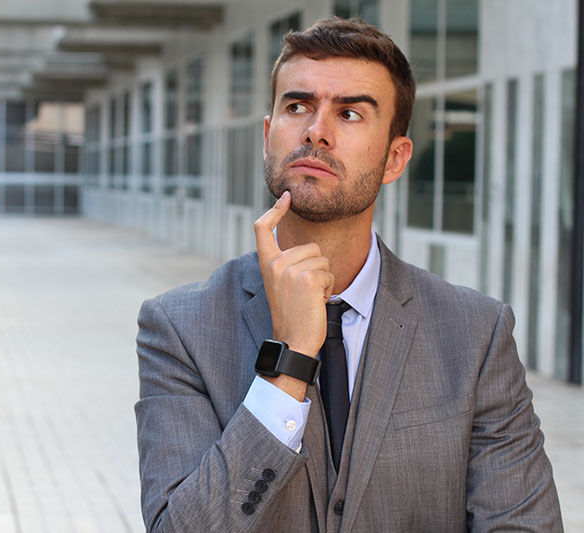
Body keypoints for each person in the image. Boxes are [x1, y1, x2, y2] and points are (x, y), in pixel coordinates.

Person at [135, 17, 562, 532]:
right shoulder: (179, 328)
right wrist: (288, 364)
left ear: (394, 158)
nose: (316, 129)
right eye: (297, 106)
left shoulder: (476, 334)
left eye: (351, 112)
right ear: (269, 137)